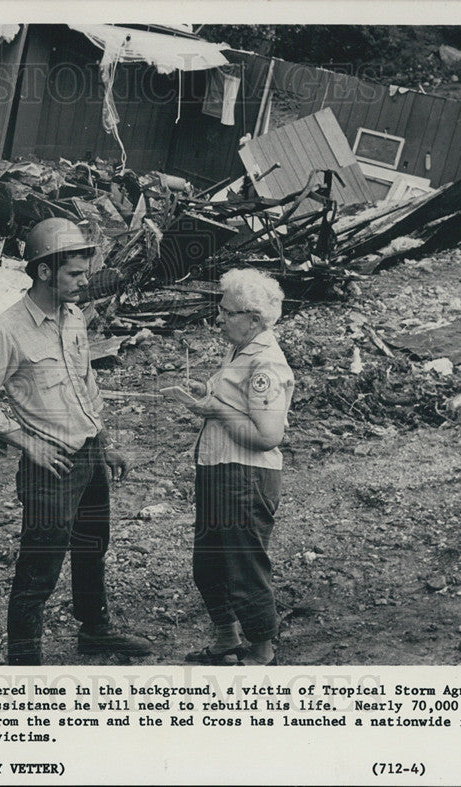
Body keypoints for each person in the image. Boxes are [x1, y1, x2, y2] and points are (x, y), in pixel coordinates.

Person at [0, 217, 151, 666]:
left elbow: (85, 386)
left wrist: (104, 445)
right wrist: (27, 443)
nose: (84, 283)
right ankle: (24, 669)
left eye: (85, 273)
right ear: (45, 271)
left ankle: (95, 631)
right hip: (49, 468)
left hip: (88, 458)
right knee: (38, 574)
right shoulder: (8, 329)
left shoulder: (74, 318)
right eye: (74, 274)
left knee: (92, 549)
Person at [184, 268, 294, 666]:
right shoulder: (239, 350)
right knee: (208, 563)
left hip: (245, 475)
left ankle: (262, 649)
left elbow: (267, 435)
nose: (219, 318)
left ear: (254, 319)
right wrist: (207, 393)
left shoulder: (265, 362)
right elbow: (234, 400)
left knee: (244, 566)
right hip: (219, 469)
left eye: (227, 312)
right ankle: (226, 637)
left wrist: (215, 408)